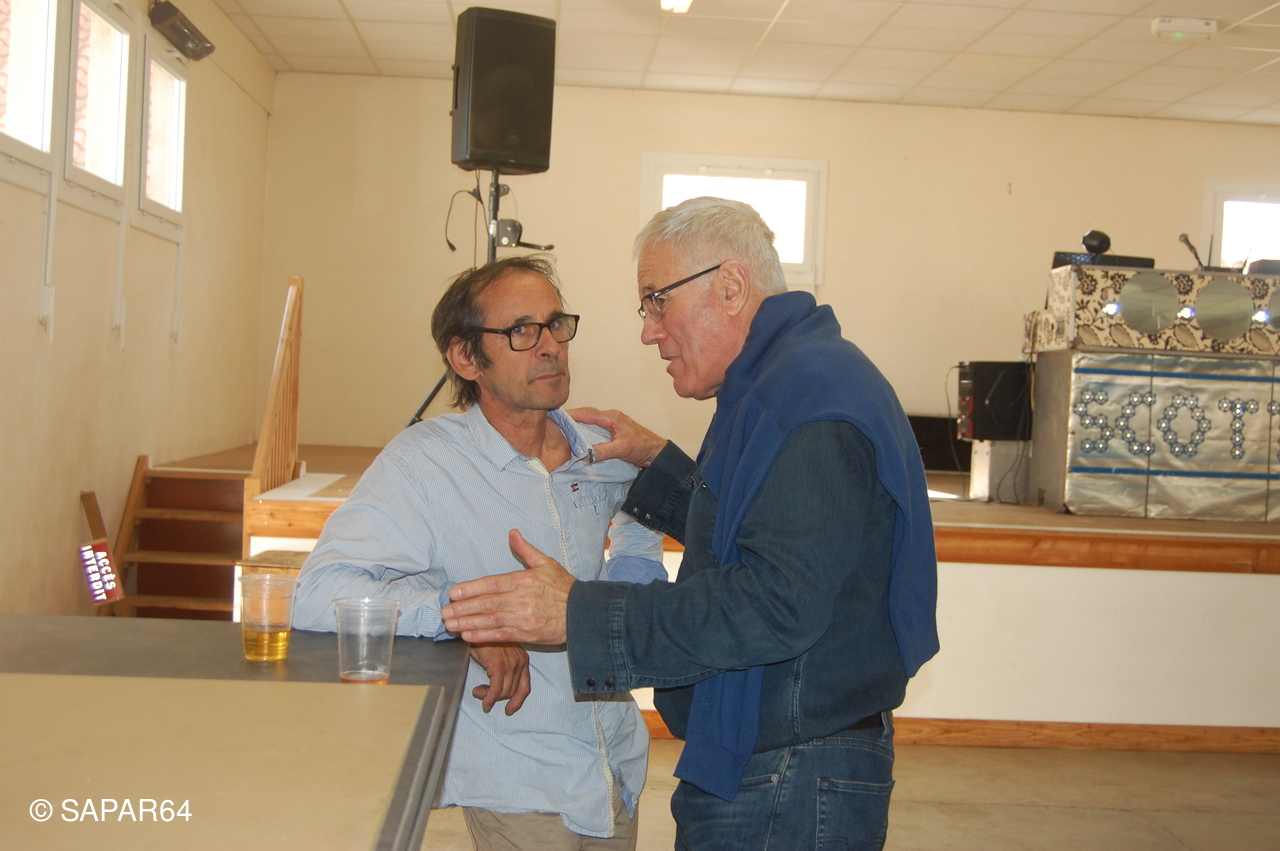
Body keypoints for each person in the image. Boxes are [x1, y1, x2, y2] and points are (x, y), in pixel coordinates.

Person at [441, 197, 940, 850]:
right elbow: (757, 527)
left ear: (730, 287)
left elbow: (774, 604)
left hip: (789, 776)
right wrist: (661, 467)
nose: (649, 332)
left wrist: (579, 613)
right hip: (774, 753)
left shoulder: (810, 401)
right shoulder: (787, 381)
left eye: (657, 302)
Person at [292, 255, 666, 850]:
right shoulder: (423, 463)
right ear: (466, 358)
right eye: (521, 330)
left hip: (616, 763)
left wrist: (632, 578)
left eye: (555, 324)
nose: (550, 346)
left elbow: (640, 509)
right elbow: (318, 594)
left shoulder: (603, 449)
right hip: (516, 776)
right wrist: (467, 621)